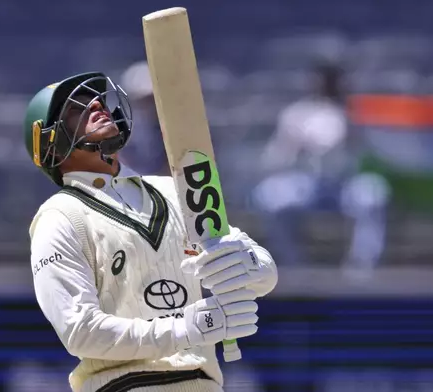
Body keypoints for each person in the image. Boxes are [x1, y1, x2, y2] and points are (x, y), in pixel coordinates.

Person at [23, 72, 278, 392]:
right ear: (48, 139)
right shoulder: (59, 216)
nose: (98, 106)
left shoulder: (176, 190)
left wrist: (246, 264)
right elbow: (80, 332)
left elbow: (265, 275)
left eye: (98, 100)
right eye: (77, 109)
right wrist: (188, 328)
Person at [252, 61, 390, 279]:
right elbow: (276, 156)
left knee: (372, 195)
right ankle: (294, 267)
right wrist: (297, 148)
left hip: (344, 186)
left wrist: (351, 128)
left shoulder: (354, 113)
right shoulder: (297, 114)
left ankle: (360, 267)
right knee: (273, 198)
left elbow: (372, 152)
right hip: (307, 184)